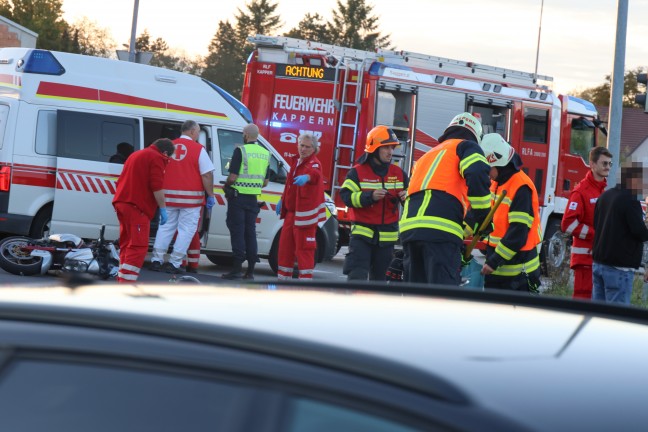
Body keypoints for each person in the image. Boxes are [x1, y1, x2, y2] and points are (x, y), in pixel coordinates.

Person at [400, 112, 491, 285]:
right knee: (441, 297)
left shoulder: (427, 155)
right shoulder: (466, 147)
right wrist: (484, 215)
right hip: (440, 232)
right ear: (475, 136)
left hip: (410, 231)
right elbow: (478, 172)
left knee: (415, 297)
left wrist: (469, 228)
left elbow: (430, 197)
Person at [340, 125, 408, 280]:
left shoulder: (399, 174)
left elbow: (414, 200)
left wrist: (407, 198)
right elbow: (346, 197)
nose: (391, 152)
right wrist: (369, 197)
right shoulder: (357, 172)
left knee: (379, 287)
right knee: (357, 279)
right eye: (386, 148)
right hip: (361, 239)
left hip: (386, 242)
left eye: (392, 147)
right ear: (374, 148)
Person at [150, 120, 216, 274]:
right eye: (198, 132)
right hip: (191, 201)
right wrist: (211, 194)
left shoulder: (168, 147)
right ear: (192, 131)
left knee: (165, 228)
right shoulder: (198, 149)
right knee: (186, 230)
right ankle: (174, 263)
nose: (198, 135)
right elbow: (206, 174)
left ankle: (156, 260)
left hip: (168, 198)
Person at [480, 133, 542, 292]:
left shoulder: (521, 187)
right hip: (501, 272)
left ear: (498, 163)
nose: (487, 173)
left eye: (488, 168)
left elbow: (518, 233)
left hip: (519, 274)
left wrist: (494, 261)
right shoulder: (498, 183)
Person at [112, 138, 175, 283]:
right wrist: (163, 208)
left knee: (127, 243)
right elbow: (157, 186)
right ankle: (127, 282)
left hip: (122, 203)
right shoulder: (157, 158)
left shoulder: (136, 154)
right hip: (136, 207)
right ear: (165, 152)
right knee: (138, 246)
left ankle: (122, 279)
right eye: (169, 158)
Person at [592, 161, 648, 304]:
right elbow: (639, 232)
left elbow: (596, 224)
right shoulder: (630, 200)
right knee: (616, 318)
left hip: (599, 263)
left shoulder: (605, 196)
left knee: (597, 316)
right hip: (619, 268)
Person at [561, 146, 612, 299]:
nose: (607, 167)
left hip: (599, 258)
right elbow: (567, 224)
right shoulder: (581, 191)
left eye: (610, 164)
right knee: (583, 305)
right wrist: (596, 235)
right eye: (604, 163)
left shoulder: (603, 190)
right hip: (585, 260)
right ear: (592, 164)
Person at [221, 124, 270, 280]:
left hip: (238, 198)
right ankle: (250, 271)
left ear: (246, 135)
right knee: (250, 234)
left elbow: (233, 177)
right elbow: (265, 182)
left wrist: (227, 185)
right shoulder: (265, 153)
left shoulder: (240, 151)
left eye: (243, 133)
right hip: (253, 200)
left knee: (237, 233)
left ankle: (236, 269)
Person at [276, 133, 325, 280]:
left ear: (314, 149)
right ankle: (283, 281)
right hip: (291, 214)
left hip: (305, 217)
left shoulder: (314, 163)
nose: (303, 149)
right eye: (301, 145)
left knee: (304, 251)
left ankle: (304, 285)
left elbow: (315, 175)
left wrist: (307, 178)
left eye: (307, 147)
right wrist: (282, 200)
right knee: (285, 249)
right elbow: (289, 187)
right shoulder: (296, 162)